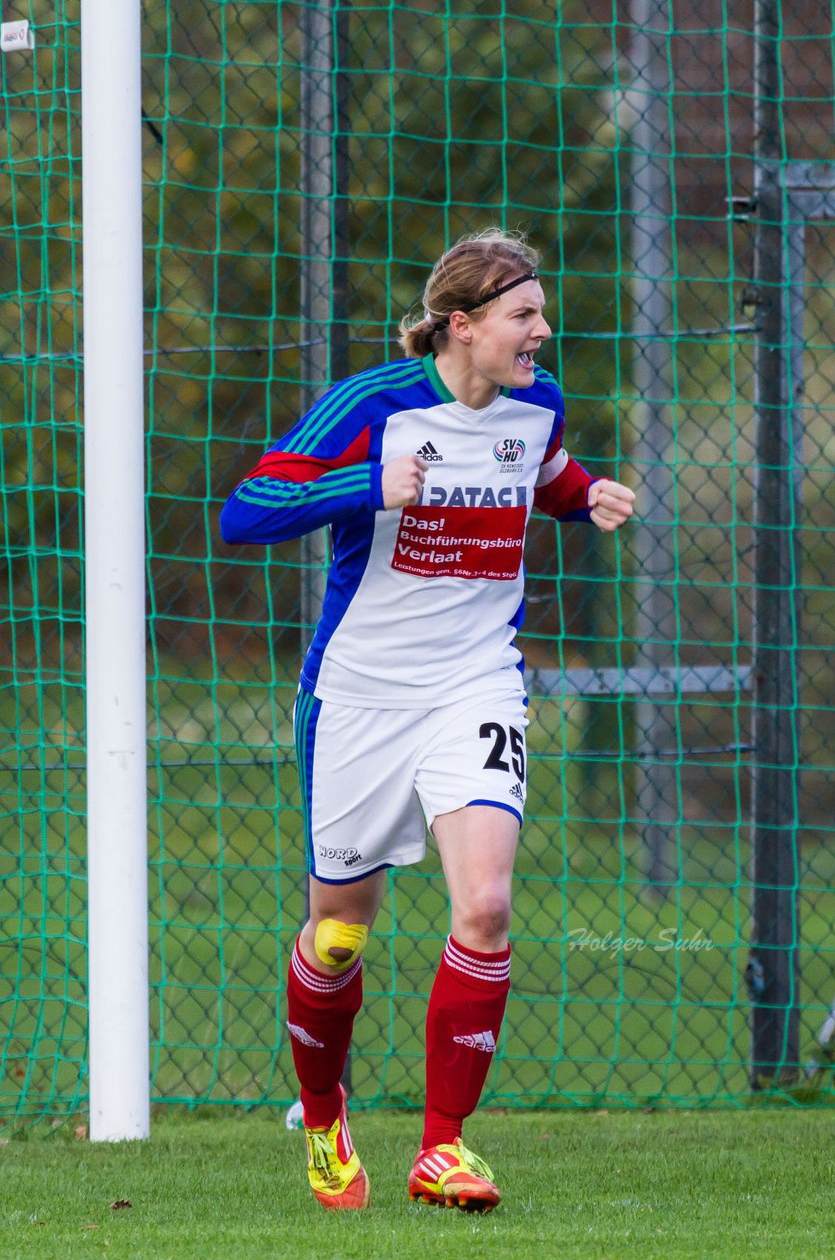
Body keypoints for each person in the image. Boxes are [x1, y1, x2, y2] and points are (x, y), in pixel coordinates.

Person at [220, 229, 636, 1213]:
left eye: (538, 312)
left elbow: (539, 469)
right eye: (522, 314)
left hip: (476, 682)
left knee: (485, 904)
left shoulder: (536, 403)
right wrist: (364, 483)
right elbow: (247, 506)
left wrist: (584, 498)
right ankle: (322, 1115)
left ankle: (442, 1146)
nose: (542, 329)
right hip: (360, 695)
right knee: (335, 937)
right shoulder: (374, 404)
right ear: (462, 324)